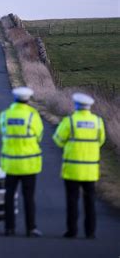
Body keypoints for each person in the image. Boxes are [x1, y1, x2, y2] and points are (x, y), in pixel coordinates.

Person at [53, 93, 105, 239]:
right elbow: (101, 141)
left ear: (76, 105)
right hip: (90, 170)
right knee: (90, 202)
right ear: (89, 107)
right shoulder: (98, 122)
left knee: (72, 201)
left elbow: (58, 139)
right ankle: (90, 232)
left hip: (72, 169)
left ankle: (72, 231)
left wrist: (69, 145)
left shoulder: (70, 121)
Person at [0, 87, 43, 237]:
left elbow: (2, 131)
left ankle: (9, 228)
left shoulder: (5, 115)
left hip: (10, 164)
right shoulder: (33, 115)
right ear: (28, 99)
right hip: (28, 164)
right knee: (29, 198)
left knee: (9, 197)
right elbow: (39, 136)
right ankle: (31, 228)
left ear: (15, 98)